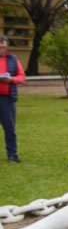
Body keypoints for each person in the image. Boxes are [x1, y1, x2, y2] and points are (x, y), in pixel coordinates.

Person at [0, 35, 26, 163]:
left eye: (4, 47)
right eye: (0, 47)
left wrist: (11, 80)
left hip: (7, 99)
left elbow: (22, 77)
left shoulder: (13, 59)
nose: (2, 50)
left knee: (10, 128)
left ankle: (12, 154)